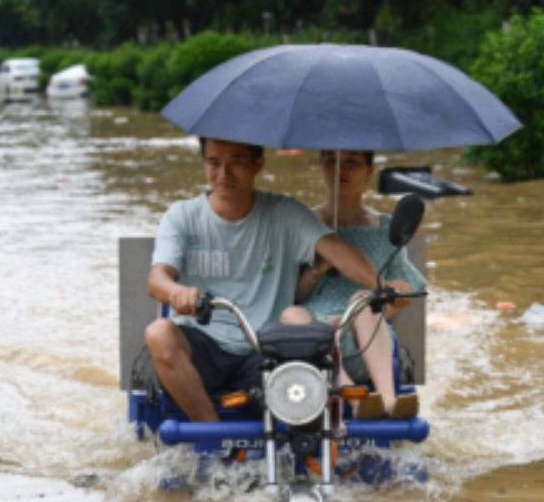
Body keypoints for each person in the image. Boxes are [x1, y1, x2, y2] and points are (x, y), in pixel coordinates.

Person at [145, 138, 411, 423]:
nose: (223, 173)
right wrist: (176, 292)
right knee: (159, 333)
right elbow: (157, 279)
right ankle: (210, 434)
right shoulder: (182, 215)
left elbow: (338, 251)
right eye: (213, 162)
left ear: (258, 164)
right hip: (202, 345)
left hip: (264, 349)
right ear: (204, 164)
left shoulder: (285, 212)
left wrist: (379, 285)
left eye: (236, 161)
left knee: (301, 383)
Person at [284, 150, 426, 419]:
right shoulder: (302, 225)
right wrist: (318, 269)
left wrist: (364, 310)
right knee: (290, 314)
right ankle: (354, 398)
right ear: (321, 166)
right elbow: (289, 296)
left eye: (352, 163)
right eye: (331, 161)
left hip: (368, 336)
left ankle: (388, 401)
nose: (341, 170)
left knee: (361, 299)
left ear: (370, 171)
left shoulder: (385, 228)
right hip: (313, 337)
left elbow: (405, 291)